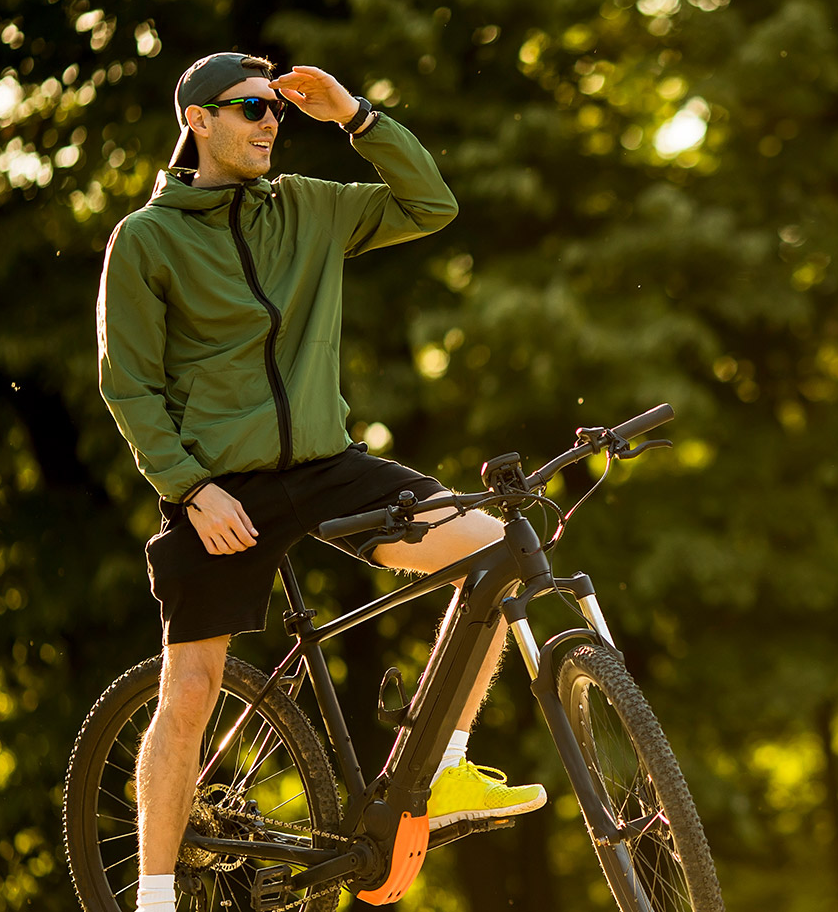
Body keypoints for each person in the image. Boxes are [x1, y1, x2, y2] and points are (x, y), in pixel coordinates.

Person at [96, 52, 544, 912]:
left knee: (493, 551)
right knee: (189, 692)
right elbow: (129, 387)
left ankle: (442, 772)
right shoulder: (147, 238)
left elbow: (430, 204)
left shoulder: (307, 205)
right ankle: (153, 897)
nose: (270, 123)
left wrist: (356, 116)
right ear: (198, 120)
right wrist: (190, 489)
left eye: (277, 111)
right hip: (221, 489)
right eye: (250, 109)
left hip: (331, 465)